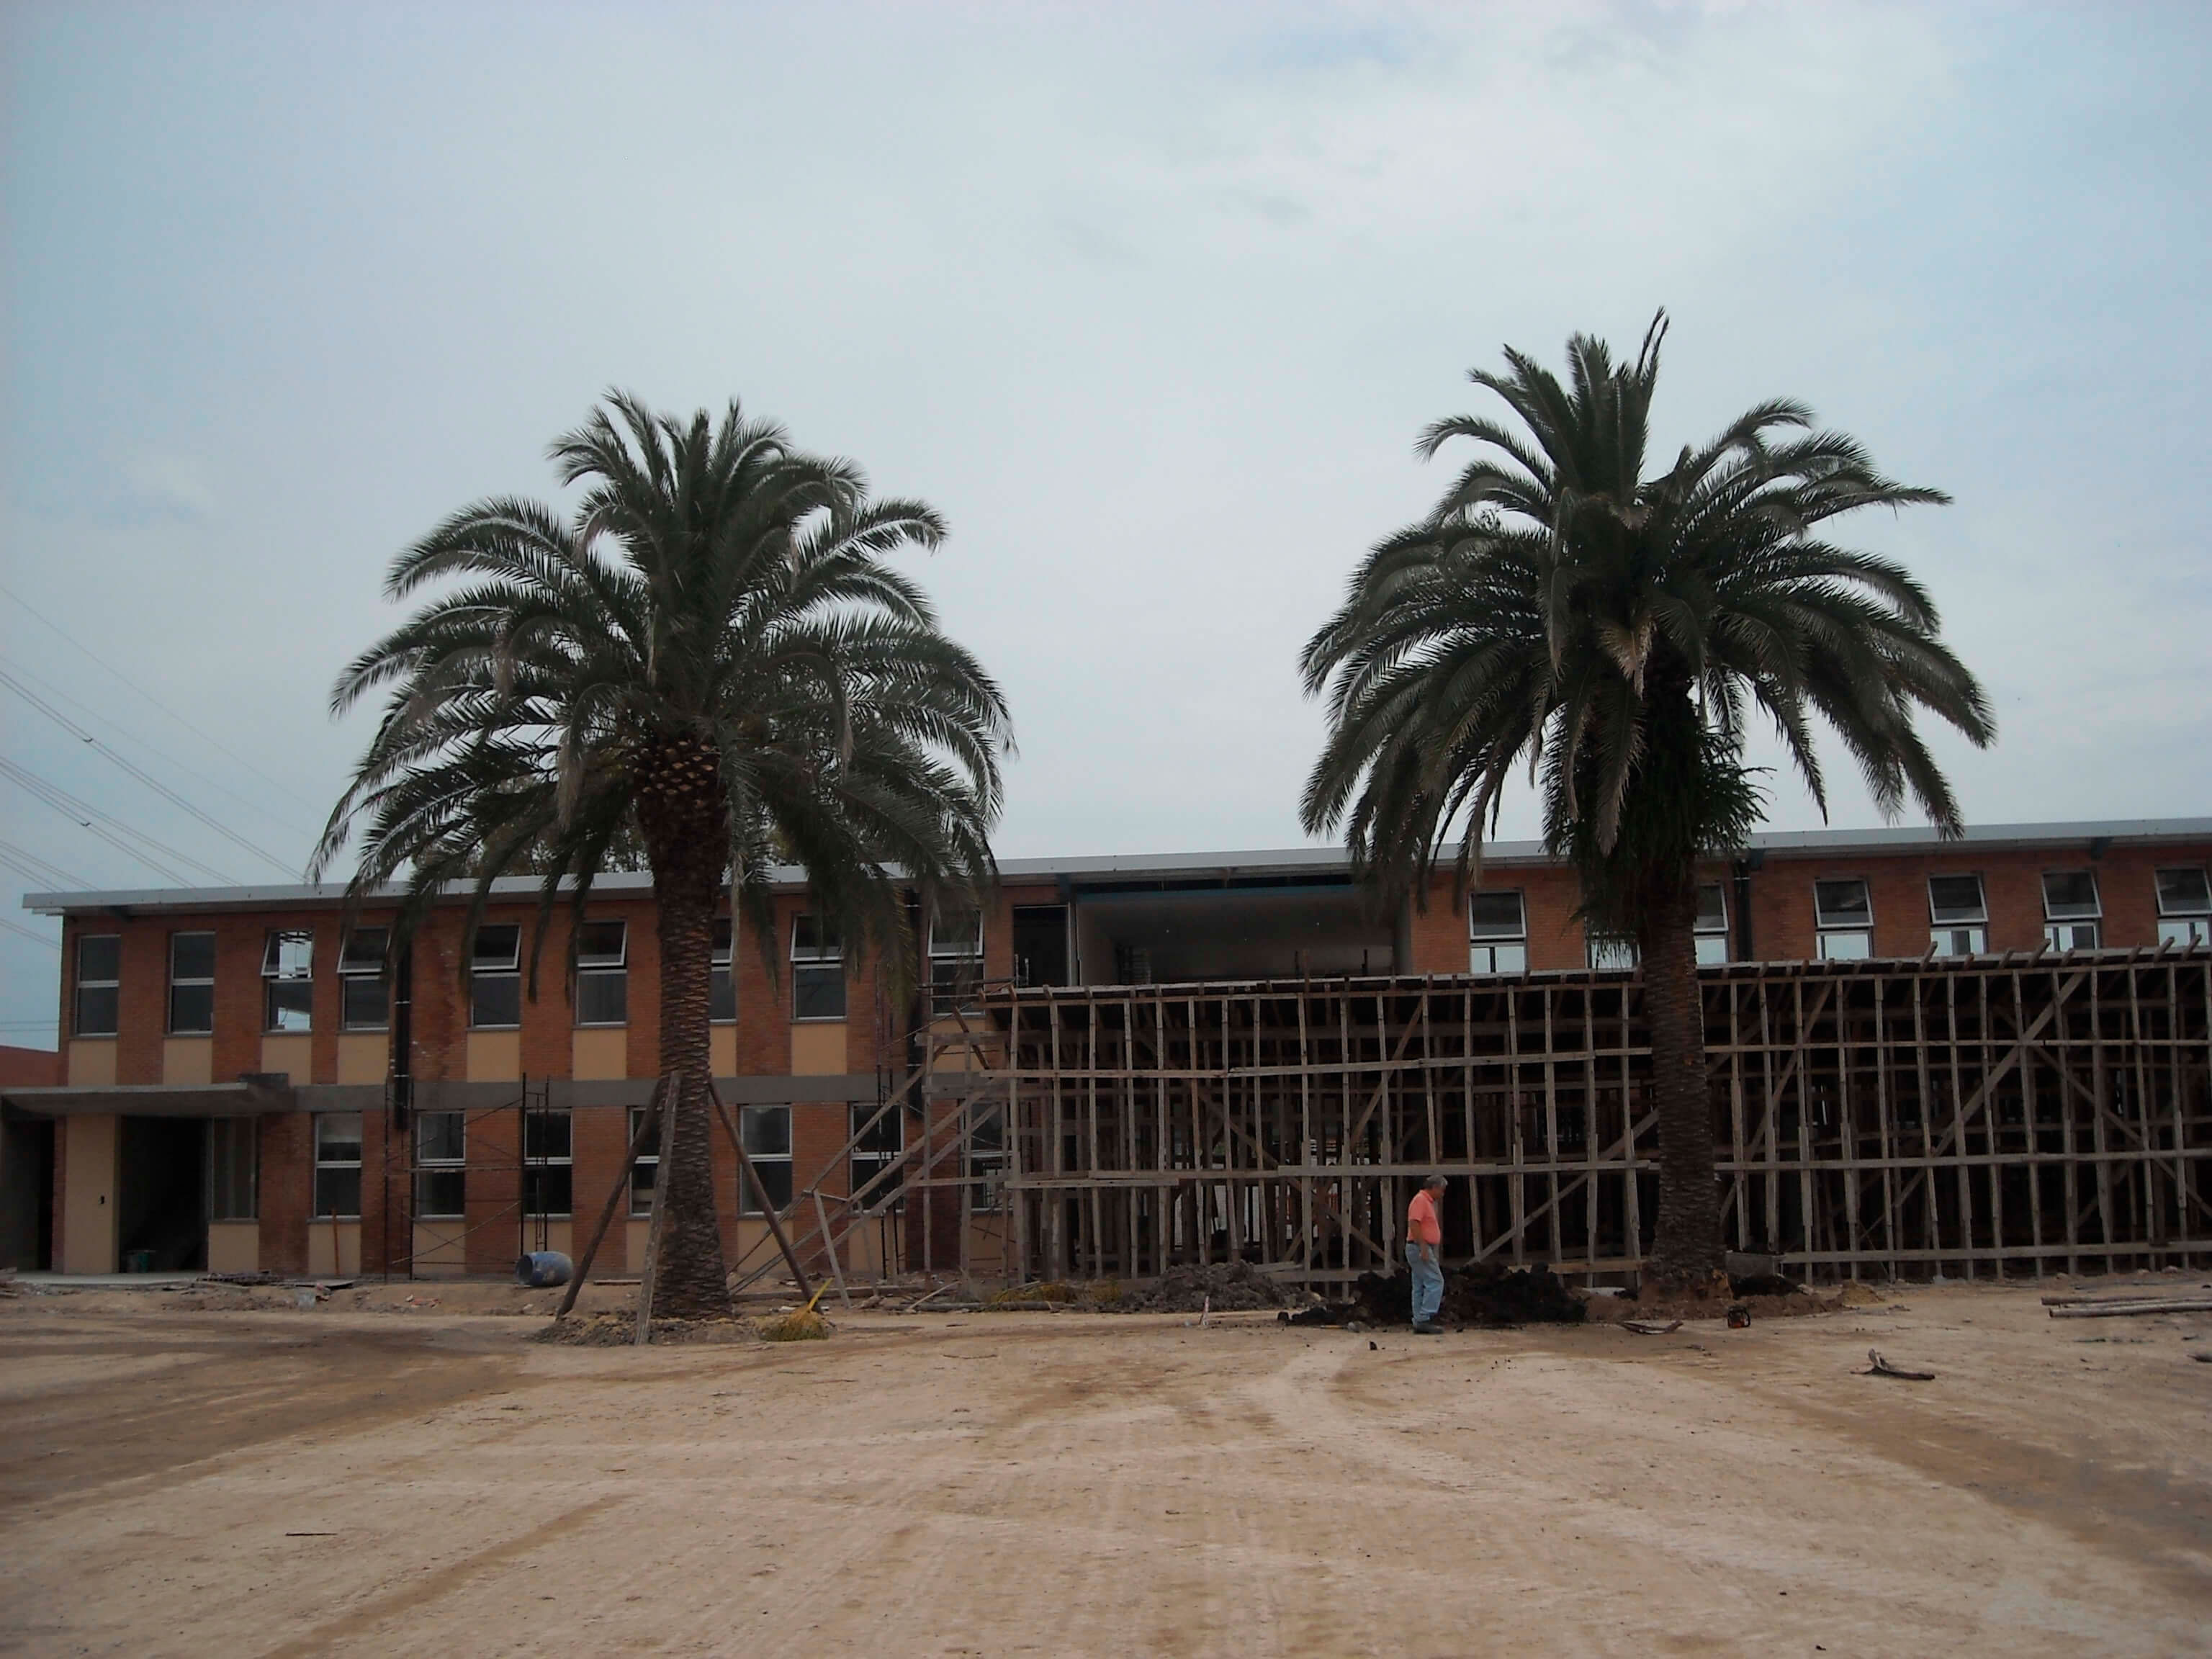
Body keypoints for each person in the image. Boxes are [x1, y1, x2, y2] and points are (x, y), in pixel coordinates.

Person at [1406, 1173, 1446, 1333]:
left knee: (1419, 1284)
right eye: (1442, 1190)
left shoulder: (1424, 1201)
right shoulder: (1421, 1200)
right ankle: (1425, 1317)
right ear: (1434, 1187)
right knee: (1436, 1281)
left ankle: (1419, 1320)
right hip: (1419, 1247)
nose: (1442, 1194)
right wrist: (1423, 1246)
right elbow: (1414, 1223)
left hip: (1417, 1246)